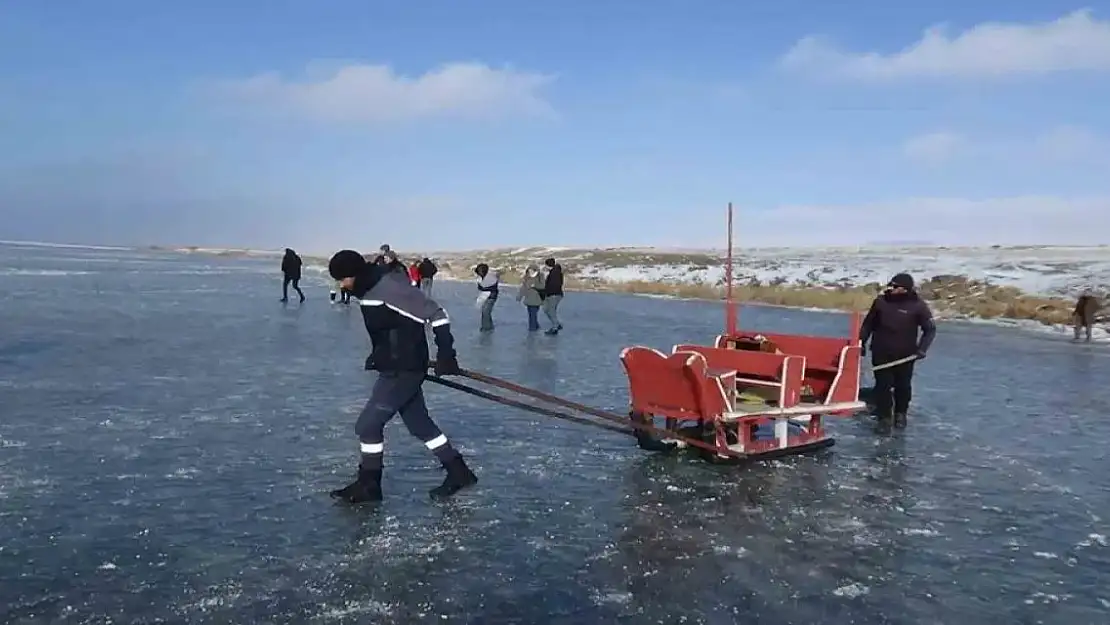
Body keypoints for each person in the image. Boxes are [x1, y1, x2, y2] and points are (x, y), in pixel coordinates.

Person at [326, 249, 478, 503]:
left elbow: (436, 314)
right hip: (395, 364)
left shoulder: (388, 288)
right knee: (420, 424)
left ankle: (369, 484)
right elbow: (391, 328)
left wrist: (446, 354)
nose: (341, 285)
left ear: (355, 274)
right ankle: (458, 471)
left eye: (343, 279)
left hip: (403, 369)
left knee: (368, 426)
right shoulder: (369, 289)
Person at [859, 273, 936, 429]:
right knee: (883, 385)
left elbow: (930, 329)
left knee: (903, 386)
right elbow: (868, 325)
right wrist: (861, 343)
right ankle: (884, 417)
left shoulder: (918, 306)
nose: (891, 289)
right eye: (891, 285)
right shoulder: (881, 302)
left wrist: (922, 349)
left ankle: (901, 414)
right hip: (881, 352)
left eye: (895, 286)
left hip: (905, 355)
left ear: (905, 289)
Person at [539, 257, 564, 335]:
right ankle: (556, 324)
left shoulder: (555, 273)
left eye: (546, 265)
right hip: (551, 294)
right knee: (546, 309)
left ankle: (555, 328)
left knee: (551, 311)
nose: (545, 267)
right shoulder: (553, 272)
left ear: (549, 265)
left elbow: (553, 285)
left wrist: (545, 291)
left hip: (554, 295)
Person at [516, 264, 544, 331]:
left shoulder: (540, 277)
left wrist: (535, 285)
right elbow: (523, 288)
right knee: (531, 314)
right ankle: (536, 326)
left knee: (533, 313)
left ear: (535, 270)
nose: (530, 272)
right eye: (529, 270)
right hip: (528, 298)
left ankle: (532, 328)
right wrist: (519, 296)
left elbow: (543, 286)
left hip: (536, 298)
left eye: (531, 270)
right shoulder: (526, 277)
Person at [475, 263, 499, 332]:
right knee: (485, 312)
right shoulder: (483, 277)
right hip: (487, 296)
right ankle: (487, 326)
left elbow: (486, 287)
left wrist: (480, 285)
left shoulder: (491, 278)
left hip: (491, 297)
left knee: (486, 312)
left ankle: (487, 328)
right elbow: (481, 288)